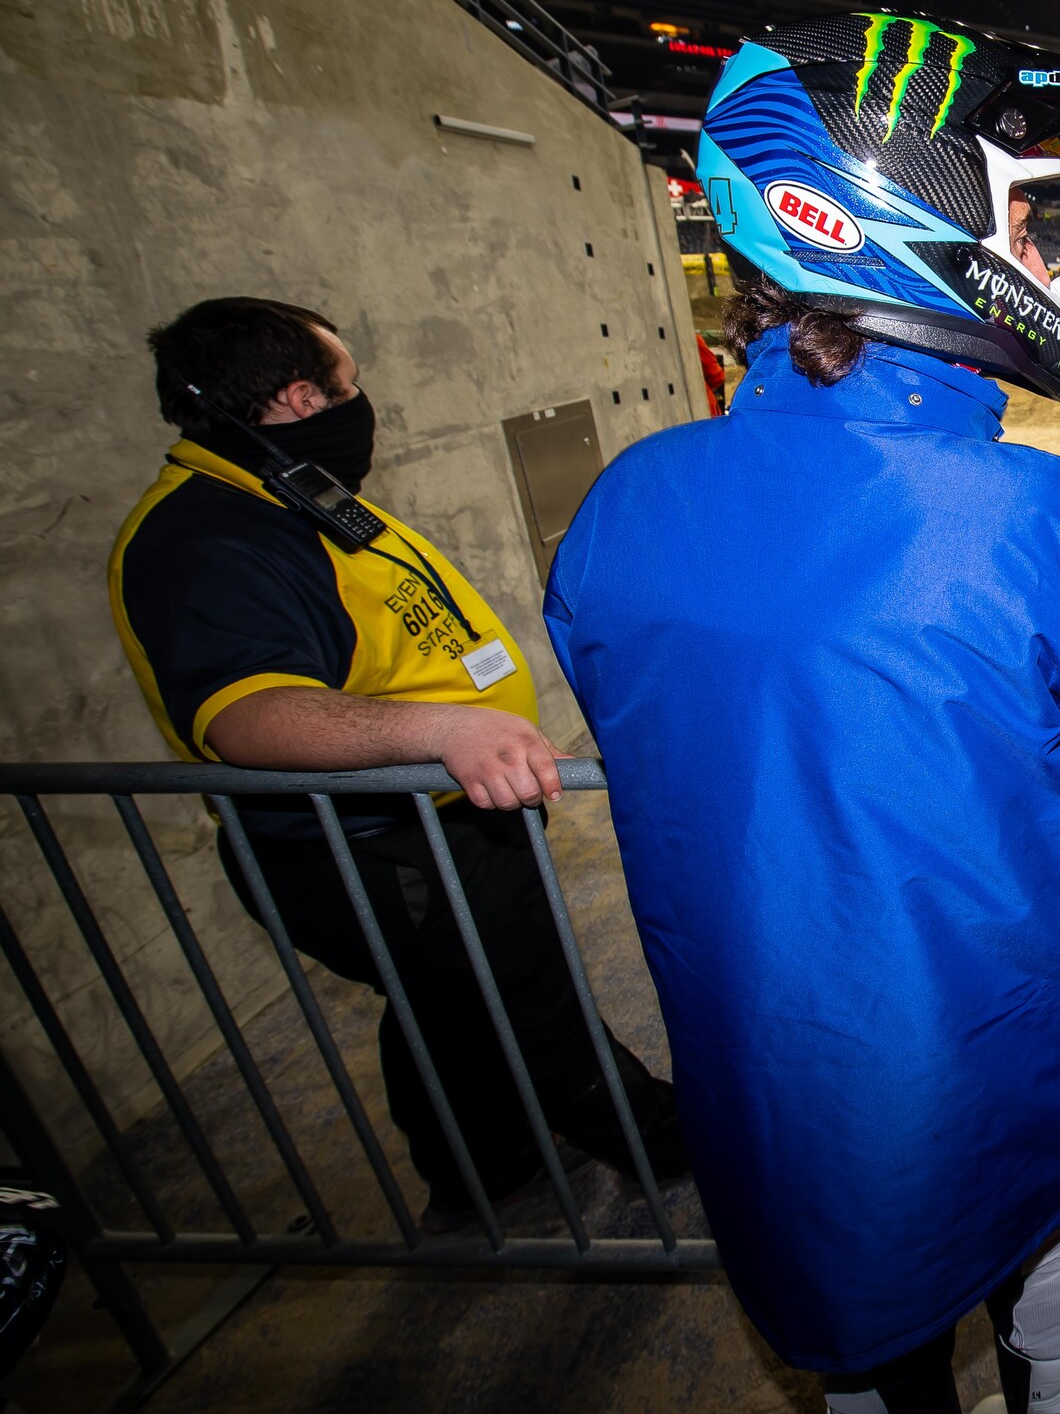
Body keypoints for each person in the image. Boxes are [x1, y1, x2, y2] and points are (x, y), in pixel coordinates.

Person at [543, 15, 1060, 1414]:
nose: (1051, 270)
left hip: (754, 1036)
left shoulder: (619, 502)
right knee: (1045, 1266)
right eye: (1025, 228)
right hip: (992, 1019)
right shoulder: (1043, 515)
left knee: (850, 1323)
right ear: (893, 215)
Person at [110, 297, 685, 1230]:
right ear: (299, 397)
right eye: (345, 384)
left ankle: (483, 1173)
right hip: (384, 840)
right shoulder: (209, 538)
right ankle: (661, 1142)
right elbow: (249, 713)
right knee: (528, 994)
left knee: (446, 999)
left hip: (432, 818)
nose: (357, 399)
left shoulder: (279, 487)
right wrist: (440, 735)